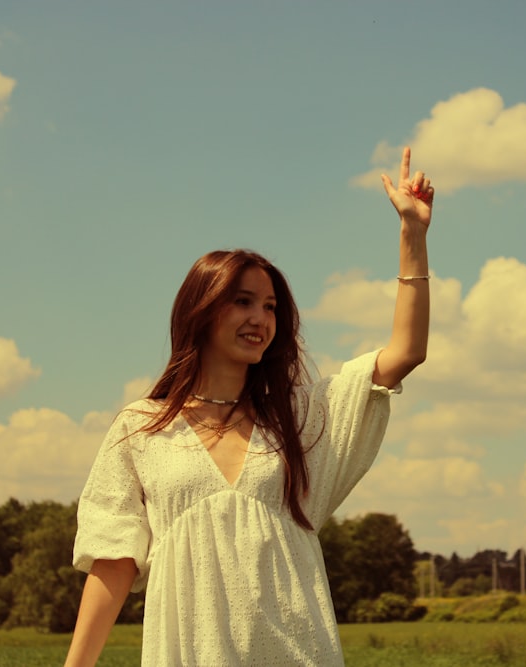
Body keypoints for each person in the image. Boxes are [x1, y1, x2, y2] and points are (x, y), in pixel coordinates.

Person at [63, 147, 433, 666]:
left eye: (270, 306)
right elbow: (114, 560)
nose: (260, 317)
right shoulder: (141, 428)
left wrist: (412, 236)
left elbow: (405, 353)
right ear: (202, 309)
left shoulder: (302, 417)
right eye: (242, 301)